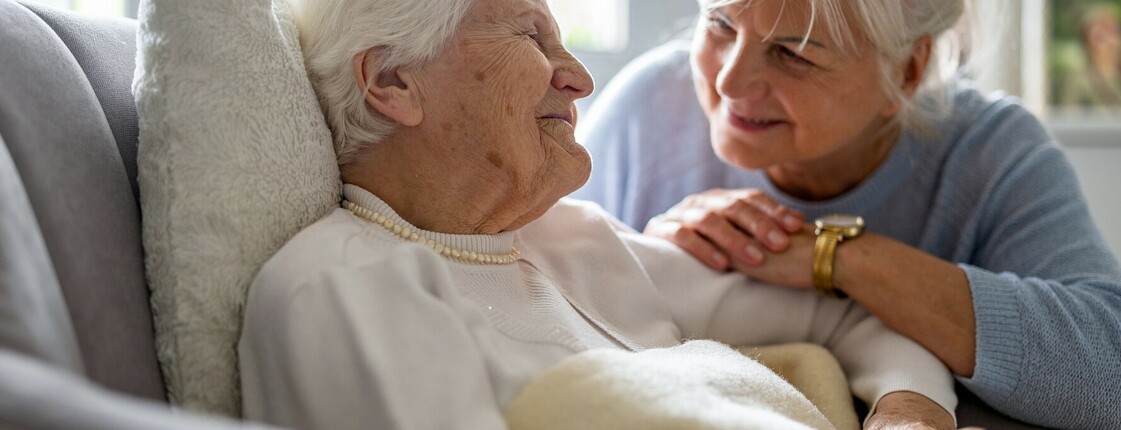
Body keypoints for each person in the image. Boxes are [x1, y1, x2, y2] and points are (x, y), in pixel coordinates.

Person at [236, 0, 961, 429]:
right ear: (393, 80)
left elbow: (850, 319)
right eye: (530, 35)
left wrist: (908, 412)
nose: (579, 79)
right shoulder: (344, 287)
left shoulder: (575, 237)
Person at [573, 0, 1121, 428]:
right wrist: (648, 256)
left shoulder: (991, 153)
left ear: (907, 70)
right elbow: (538, 299)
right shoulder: (646, 111)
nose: (729, 82)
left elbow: (1108, 370)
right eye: (720, 22)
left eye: (793, 53)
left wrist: (833, 256)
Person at [1057, 3, 1121, 108]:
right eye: (1099, 34)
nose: (1108, 39)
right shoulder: (1077, 80)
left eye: (1111, 30)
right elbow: (1068, 118)